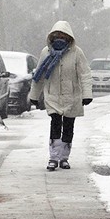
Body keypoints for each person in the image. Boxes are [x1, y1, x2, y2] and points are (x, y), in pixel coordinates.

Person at [29, 20, 93, 171]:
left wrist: (87, 94)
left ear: (69, 37)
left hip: (72, 96)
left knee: (69, 127)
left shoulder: (77, 53)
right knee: (55, 124)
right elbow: (39, 74)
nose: (60, 38)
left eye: (63, 36)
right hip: (53, 95)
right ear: (52, 36)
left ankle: (64, 157)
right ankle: (53, 157)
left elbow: (85, 74)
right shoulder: (46, 52)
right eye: (57, 35)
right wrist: (34, 95)